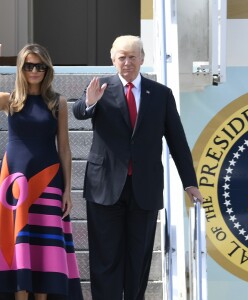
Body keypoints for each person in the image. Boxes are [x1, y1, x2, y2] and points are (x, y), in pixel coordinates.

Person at [72, 35, 203, 300]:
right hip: (105, 189)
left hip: (144, 189)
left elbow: (177, 142)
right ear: (113, 60)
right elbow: (79, 111)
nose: (127, 62)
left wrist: (190, 183)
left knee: (138, 260)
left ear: (142, 59)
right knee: (105, 260)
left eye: (133, 56)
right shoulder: (100, 87)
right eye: (122, 57)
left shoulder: (161, 95)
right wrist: (90, 102)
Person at [0, 44, 83, 300]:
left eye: (40, 66)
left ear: (47, 69)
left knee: (45, 250)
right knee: (17, 247)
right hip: (15, 182)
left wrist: (68, 190)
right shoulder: (9, 99)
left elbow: (66, 149)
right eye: (28, 65)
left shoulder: (57, 102)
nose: (34, 70)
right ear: (20, 68)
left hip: (49, 181)